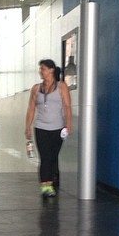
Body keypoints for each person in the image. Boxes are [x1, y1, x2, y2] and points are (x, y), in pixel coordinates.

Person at [25, 58, 73, 197]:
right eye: (40, 69)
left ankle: (51, 182)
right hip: (40, 128)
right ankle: (45, 186)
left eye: (43, 69)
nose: (40, 71)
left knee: (52, 157)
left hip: (58, 129)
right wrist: (27, 127)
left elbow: (67, 107)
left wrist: (68, 124)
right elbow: (31, 109)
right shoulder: (36, 89)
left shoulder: (61, 86)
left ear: (51, 70)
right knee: (45, 157)